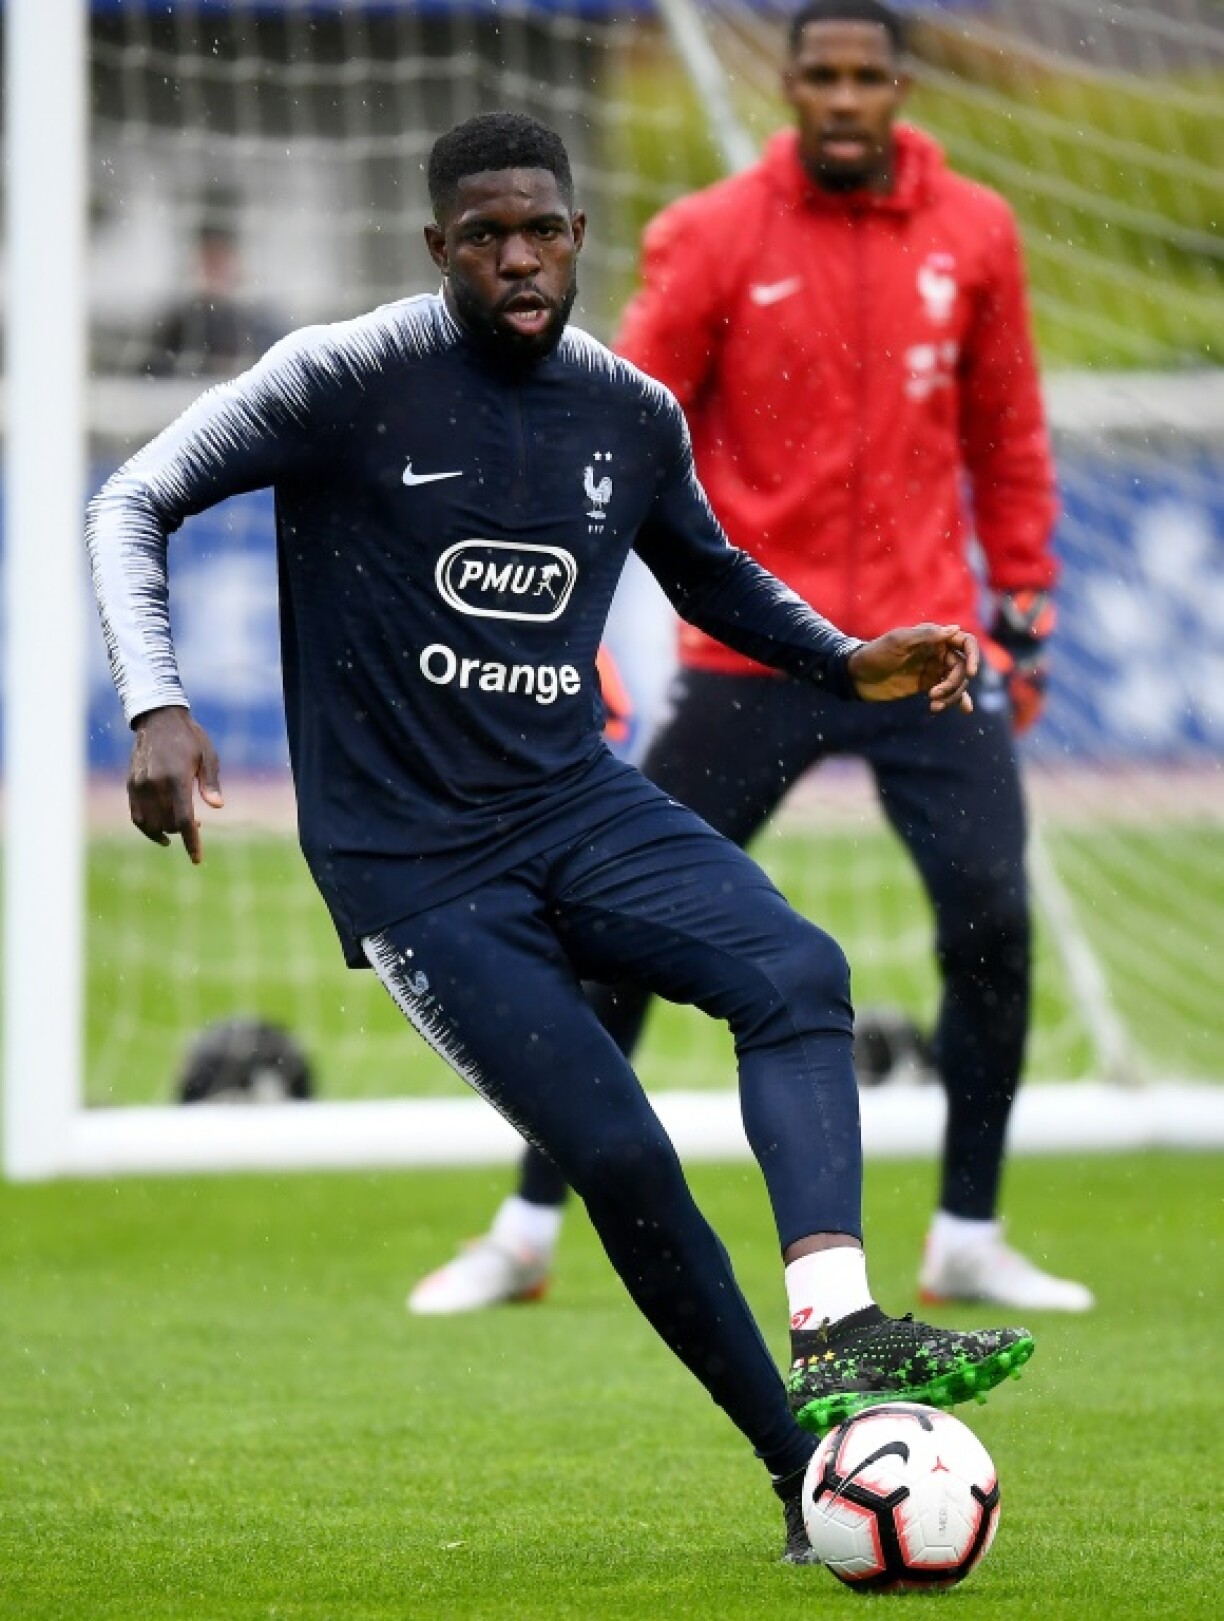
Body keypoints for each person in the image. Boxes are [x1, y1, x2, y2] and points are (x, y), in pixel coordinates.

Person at [87, 110, 1035, 1565]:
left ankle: (838, 1324)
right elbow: (130, 498)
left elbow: (709, 575)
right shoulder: (344, 377)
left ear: (578, 235)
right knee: (621, 1152)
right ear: (438, 248)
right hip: (416, 865)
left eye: (541, 230)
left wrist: (847, 661)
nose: (518, 258)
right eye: (485, 236)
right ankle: (802, 1474)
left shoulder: (629, 411)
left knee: (797, 968)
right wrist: (156, 702)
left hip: (575, 803)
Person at [410, 0, 1093, 1321]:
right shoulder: (715, 235)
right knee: (611, 938)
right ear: (787, 85)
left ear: (902, 83)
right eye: (819, 75)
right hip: (753, 650)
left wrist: (1026, 597)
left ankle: (967, 1228)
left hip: (919, 651)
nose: (842, 97)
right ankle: (525, 1225)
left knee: (992, 924)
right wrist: (569, 631)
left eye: (865, 75)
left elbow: (1006, 428)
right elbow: (608, 429)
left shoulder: (978, 234)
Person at [143, 217, 286, 380]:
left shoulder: (265, 328)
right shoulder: (174, 329)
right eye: (208, 261)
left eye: (220, 261)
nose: (213, 272)